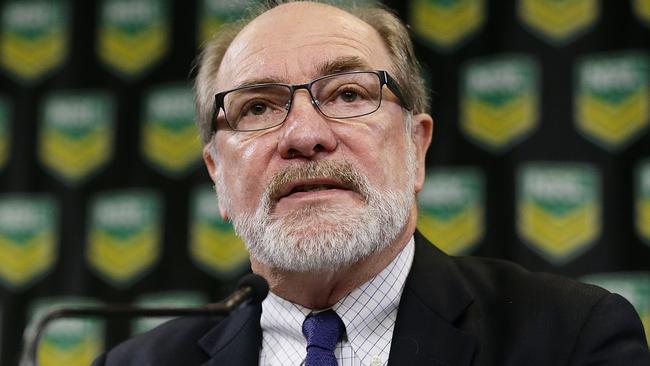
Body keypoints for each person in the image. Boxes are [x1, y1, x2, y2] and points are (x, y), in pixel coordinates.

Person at [92, 1, 650, 365]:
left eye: (349, 95)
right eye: (259, 107)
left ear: (417, 146)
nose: (305, 135)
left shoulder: (571, 337)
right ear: (217, 173)